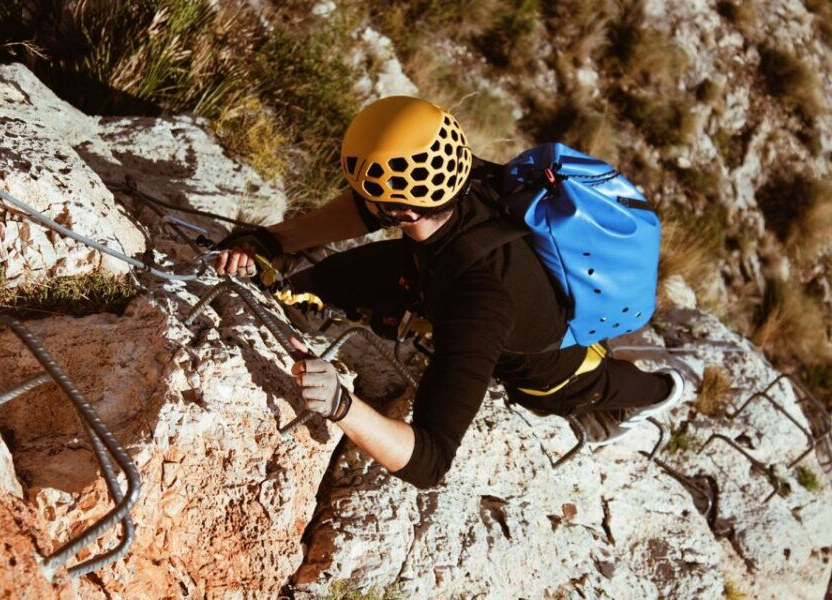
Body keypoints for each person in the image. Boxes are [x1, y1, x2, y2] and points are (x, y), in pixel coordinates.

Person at [215, 96, 684, 489]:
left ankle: (666, 389)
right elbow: (365, 211)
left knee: (583, 386)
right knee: (324, 281)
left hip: (541, 363)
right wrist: (272, 241)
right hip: (433, 276)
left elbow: (430, 461)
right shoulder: (466, 177)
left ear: (400, 211)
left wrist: (343, 406)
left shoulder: (478, 306)